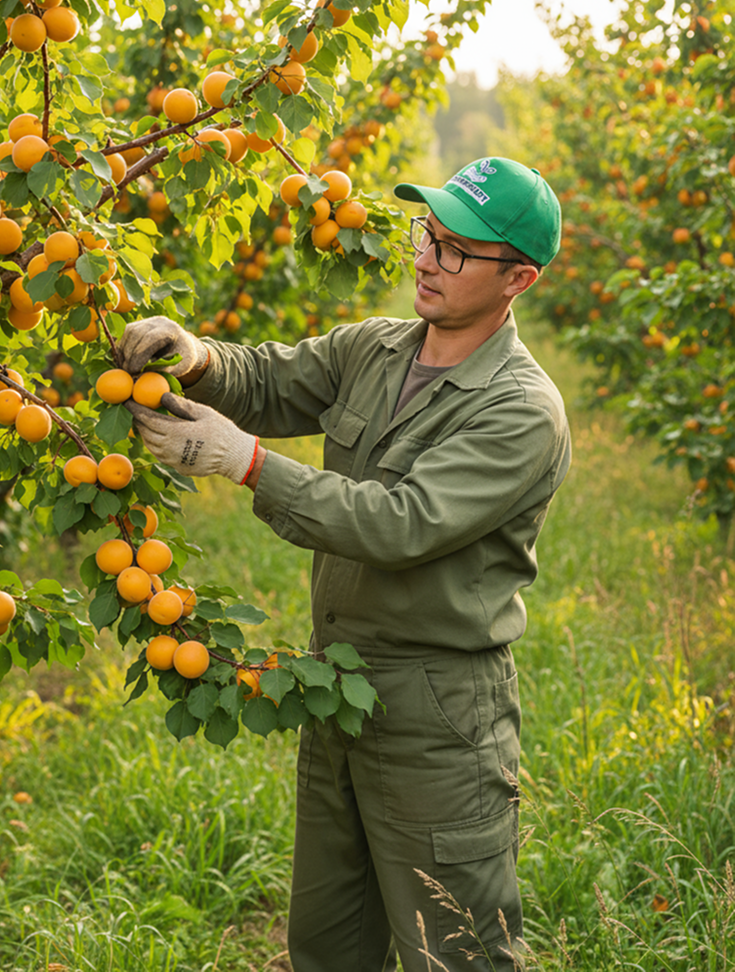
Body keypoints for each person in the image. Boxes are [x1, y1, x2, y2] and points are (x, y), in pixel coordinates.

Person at [117, 156, 572, 971]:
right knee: (329, 942)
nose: (427, 259)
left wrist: (246, 463)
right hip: (337, 683)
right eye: (427, 234)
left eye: (456, 250)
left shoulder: (521, 410)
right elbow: (271, 381)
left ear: (519, 279)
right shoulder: (377, 348)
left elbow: (401, 523)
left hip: (438, 713)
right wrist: (197, 358)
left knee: (456, 952)